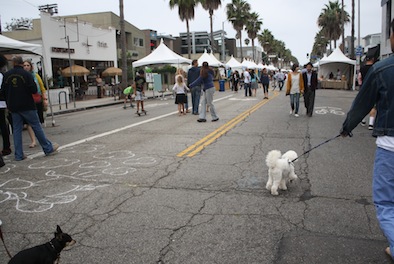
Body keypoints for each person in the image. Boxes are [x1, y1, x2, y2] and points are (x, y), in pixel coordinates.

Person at [340, 18, 394, 260]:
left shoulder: (382, 69)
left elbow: (362, 104)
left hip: (390, 146)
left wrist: (346, 127)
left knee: (386, 202)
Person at [0, 56, 58, 161]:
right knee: (36, 126)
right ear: (22, 63)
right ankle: (47, 148)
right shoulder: (26, 74)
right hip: (27, 105)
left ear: (13, 63)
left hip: (13, 106)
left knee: (17, 130)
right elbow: (34, 89)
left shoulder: (7, 75)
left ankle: (18, 154)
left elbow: (2, 91)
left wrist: (9, 100)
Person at [23, 60, 47, 148]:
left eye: (27, 65)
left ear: (31, 66)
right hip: (27, 101)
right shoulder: (22, 76)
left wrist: (45, 98)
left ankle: (41, 138)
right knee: (29, 122)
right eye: (24, 65)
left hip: (37, 99)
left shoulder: (35, 76)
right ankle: (33, 140)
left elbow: (42, 87)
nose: (26, 67)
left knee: (38, 121)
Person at [359, 55, 377, 130]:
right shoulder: (375, 68)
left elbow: (359, 77)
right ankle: (371, 124)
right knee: (373, 106)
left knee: (364, 105)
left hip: (364, 87)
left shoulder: (362, 68)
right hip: (373, 88)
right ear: (372, 59)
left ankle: (363, 120)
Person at [0, 54, 11, 156]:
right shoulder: (2, 75)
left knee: (3, 125)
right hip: (2, 103)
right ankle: (6, 147)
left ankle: (6, 147)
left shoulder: (1, 75)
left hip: (1, 102)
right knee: (3, 125)